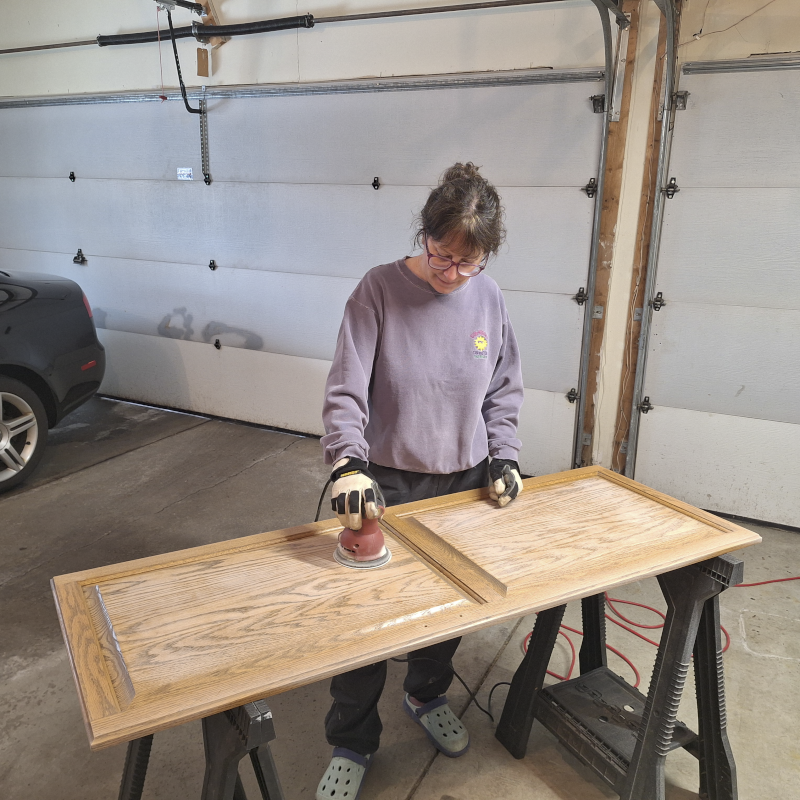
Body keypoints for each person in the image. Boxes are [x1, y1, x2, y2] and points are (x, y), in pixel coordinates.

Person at [316, 162, 524, 800]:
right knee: (367, 620)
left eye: (468, 263)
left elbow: (502, 389)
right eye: (441, 255)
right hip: (386, 481)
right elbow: (346, 387)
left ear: (486, 257)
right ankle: (353, 739)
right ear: (424, 234)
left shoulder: (489, 298)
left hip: (463, 480)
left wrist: (505, 456)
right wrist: (348, 462)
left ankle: (426, 694)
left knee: (445, 606)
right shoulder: (378, 290)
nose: (452, 273)